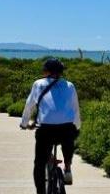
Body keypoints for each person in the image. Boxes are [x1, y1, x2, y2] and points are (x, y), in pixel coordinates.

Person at [20, 58, 80, 194]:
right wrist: (76, 126)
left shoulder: (38, 84)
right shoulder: (70, 85)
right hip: (66, 129)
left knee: (39, 164)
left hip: (46, 130)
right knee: (68, 140)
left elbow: (29, 106)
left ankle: (41, 191)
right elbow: (75, 108)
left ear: (46, 71)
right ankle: (68, 168)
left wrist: (24, 124)